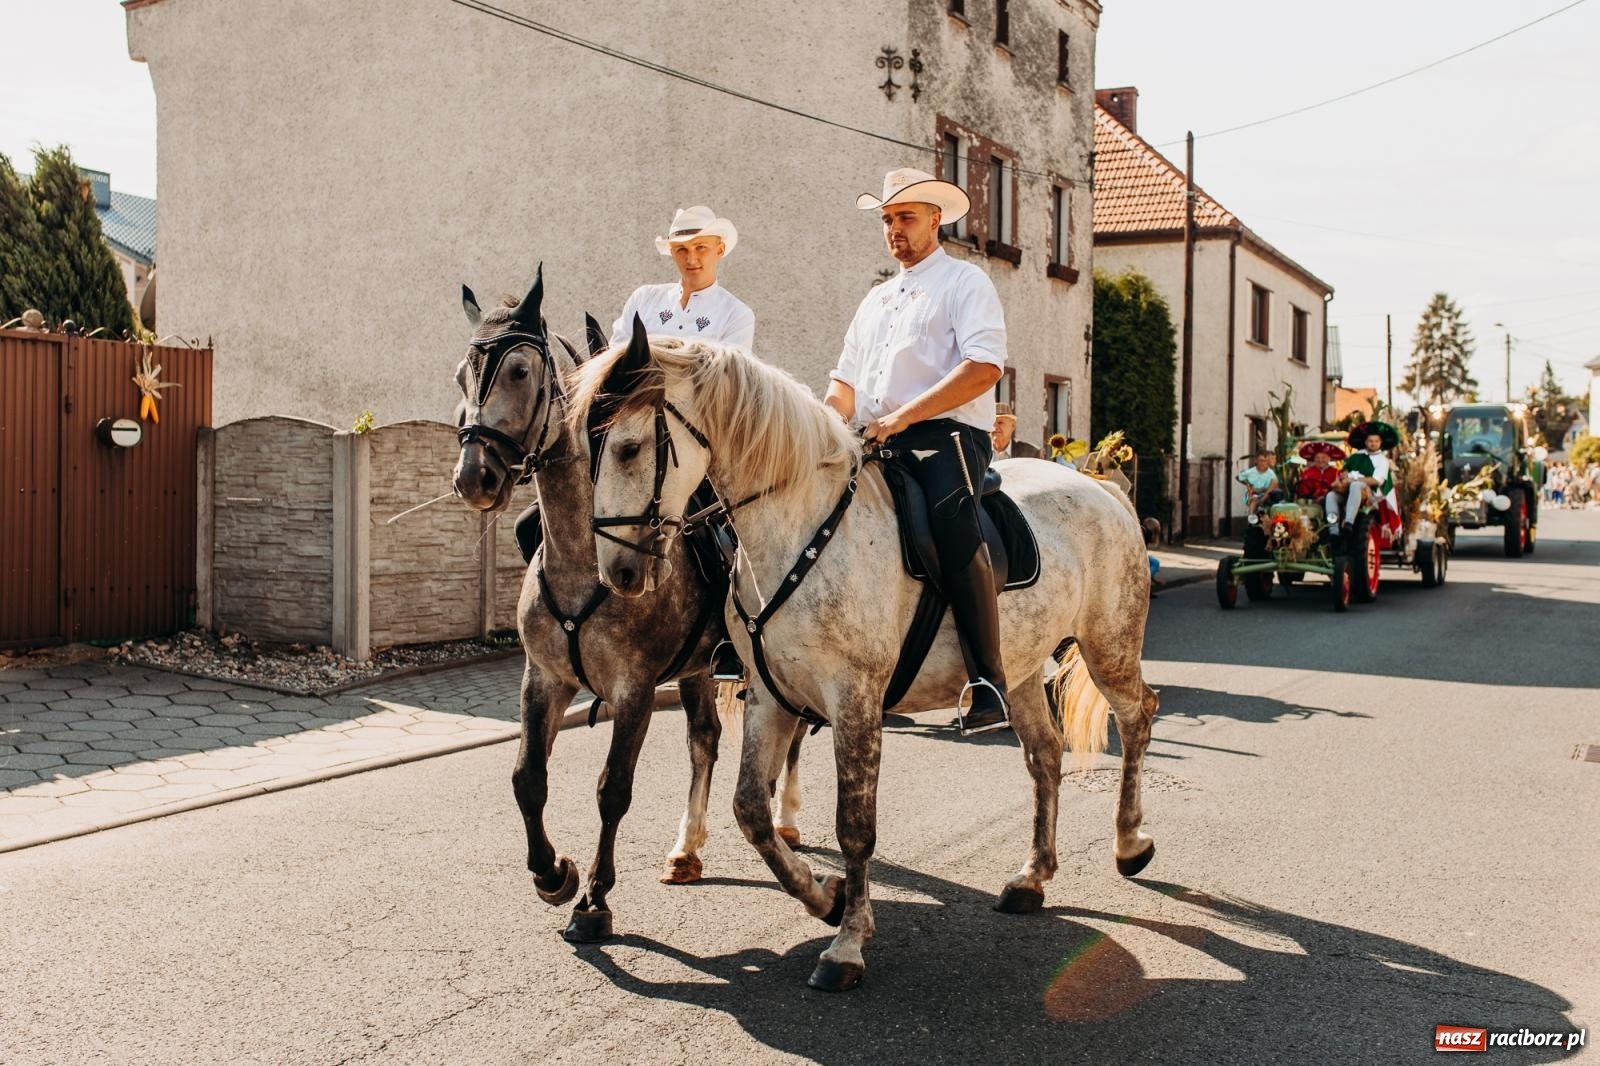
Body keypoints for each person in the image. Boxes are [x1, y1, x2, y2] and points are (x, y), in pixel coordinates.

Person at [825, 166, 1011, 735]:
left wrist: (904, 416)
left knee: (951, 520)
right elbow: (843, 386)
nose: (894, 228)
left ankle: (989, 683)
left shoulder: (965, 283)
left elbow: (984, 367)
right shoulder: (876, 299)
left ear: (936, 219)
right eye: (887, 219)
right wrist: (821, 426)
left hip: (947, 436)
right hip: (874, 438)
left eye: (905, 217)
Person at [515, 205, 754, 565]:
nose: (691, 258)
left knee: (718, 545)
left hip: (691, 448)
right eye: (682, 249)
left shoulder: (736, 314)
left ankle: (724, 593)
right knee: (529, 525)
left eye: (701, 248)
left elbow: (720, 390)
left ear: (719, 249)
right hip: (626, 437)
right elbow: (614, 368)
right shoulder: (645, 300)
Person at [1237, 451, 1280, 523]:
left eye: (1275, 458)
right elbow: (1239, 477)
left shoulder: (1272, 473)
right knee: (1254, 501)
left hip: (1269, 497)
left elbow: (1273, 487)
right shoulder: (1253, 471)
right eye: (1272, 458)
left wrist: (1262, 490)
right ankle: (1251, 520)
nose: (1274, 461)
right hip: (1258, 497)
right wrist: (1248, 484)